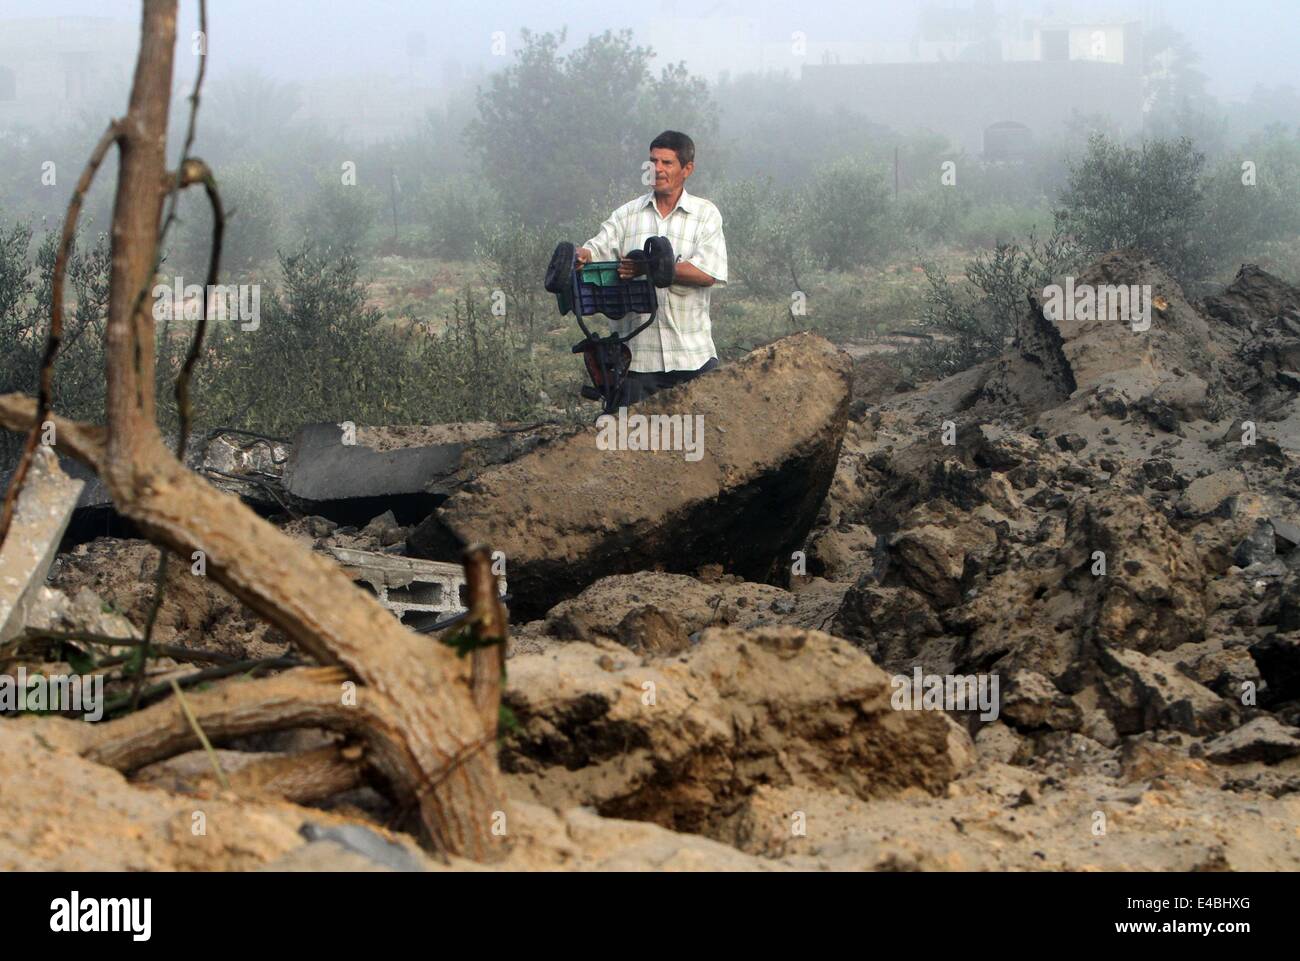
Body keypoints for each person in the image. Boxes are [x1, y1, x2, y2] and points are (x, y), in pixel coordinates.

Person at [576, 130, 728, 405]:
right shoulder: (626, 216)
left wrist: (650, 268)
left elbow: (707, 273)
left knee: (702, 444)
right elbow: (596, 249)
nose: (657, 169)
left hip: (692, 358)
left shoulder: (705, 216)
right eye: (653, 161)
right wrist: (580, 255)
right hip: (637, 363)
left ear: (687, 169)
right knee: (631, 445)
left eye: (667, 163)